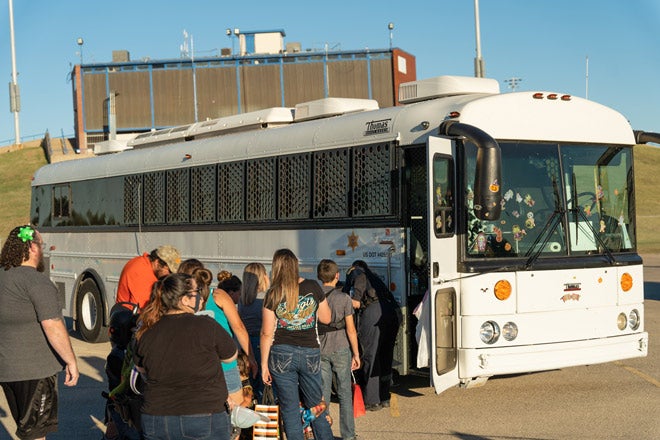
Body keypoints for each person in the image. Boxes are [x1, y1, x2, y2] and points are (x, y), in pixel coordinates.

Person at [133, 273, 237, 440]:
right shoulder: (206, 325)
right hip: (203, 416)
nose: (202, 297)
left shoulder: (147, 331)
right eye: (198, 291)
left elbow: (141, 369)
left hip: (156, 419)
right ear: (184, 300)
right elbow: (230, 356)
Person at [0, 225, 80, 440]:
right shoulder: (36, 281)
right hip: (35, 373)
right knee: (35, 435)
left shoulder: (3, 278)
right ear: (32, 247)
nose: (43, 250)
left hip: (7, 371)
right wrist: (70, 361)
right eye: (41, 245)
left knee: (26, 431)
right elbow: (52, 324)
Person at [260, 248, 334, 440]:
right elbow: (327, 318)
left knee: (290, 410)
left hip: (281, 353)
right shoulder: (313, 286)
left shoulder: (273, 293)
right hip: (310, 351)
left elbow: (267, 333)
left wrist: (263, 365)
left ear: (275, 268)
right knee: (316, 406)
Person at [343, 260, 400, 411]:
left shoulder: (357, 272)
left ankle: (372, 400)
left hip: (374, 313)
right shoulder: (374, 277)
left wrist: (355, 297)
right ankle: (385, 397)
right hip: (391, 313)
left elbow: (357, 288)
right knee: (385, 356)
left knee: (371, 356)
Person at [317, 259, 360, 440]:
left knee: (323, 393)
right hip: (341, 346)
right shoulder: (344, 299)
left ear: (319, 277)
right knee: (344, 393)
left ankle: (324, 433)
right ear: (337, 276)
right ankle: (348, 435)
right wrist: (356, 353)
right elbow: (351, 329)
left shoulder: (314, 297)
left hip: (320, 348)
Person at [206, 271, 259, 408]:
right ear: (230, 293)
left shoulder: (185, 300)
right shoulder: (219, 296)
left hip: (201, 363)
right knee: (236, 406)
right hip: (226, 361)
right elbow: (238, 328)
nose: (240, 297)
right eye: (238, 293)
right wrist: (251, 357)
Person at [238, 262, 270, 400]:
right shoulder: (265, 298)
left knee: (250, 382)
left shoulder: (242, 299)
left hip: (245, 343)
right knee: (264, 382)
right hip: (262, 342)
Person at [116, 245, 181, 310]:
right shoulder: (141, 273)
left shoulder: (143, 261)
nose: (169, 275)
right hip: (129, 317)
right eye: (169, 271)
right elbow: (142, 310)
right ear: (157, 262)